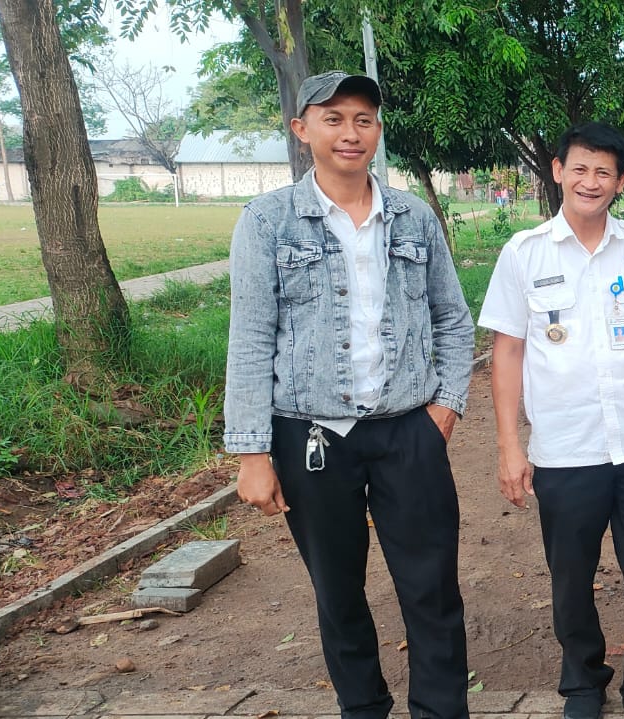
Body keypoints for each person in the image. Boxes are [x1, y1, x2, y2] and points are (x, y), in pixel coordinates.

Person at [223, 71, 475, 719]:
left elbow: (453, 319)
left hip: (408, 430)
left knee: (431, 589)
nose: (349, 132)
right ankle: (363, 707)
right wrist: (251, 452)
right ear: (301, 129)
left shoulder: (412, 217)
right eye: (332, 118)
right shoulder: (267, 222)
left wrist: (443, 409)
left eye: (363, 119)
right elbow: (250, 337)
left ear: (378, 132)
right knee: (338, 591)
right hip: (310, 435)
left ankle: (441, 710)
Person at [480, 122, 624, 719]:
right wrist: (508, 445)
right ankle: (582, 682)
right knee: (571, 575)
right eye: (579, 168)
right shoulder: (524, 253)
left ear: (620, 181)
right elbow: (508, 353)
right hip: (566, 448)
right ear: (557, 171)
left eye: (603, 172)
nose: (590, 181)